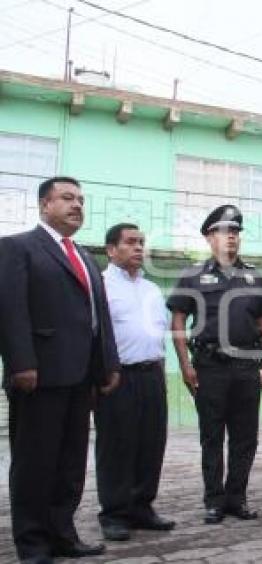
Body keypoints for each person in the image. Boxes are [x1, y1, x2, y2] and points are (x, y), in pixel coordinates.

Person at [0, 176, 120, 562]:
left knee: (70, 463)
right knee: (35, 463)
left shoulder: (85, 256)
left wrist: (107, 365)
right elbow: (10, 309)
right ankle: (33, 544)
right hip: (40, 376)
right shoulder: (18, 247)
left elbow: (98, 317)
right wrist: (21, 362)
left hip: (81, 376)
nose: (77, 205)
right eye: (67, 198)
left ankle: (63, 534)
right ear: (44, 205)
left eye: (81, 199)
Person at [167, 205, 262, 524]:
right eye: (225, 232)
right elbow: (178, 320)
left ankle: (237, 498)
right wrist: (185, 365)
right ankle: (214, 500)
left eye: (236, 233)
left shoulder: (253, 275)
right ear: (209, 237)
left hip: (246, 367)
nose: (231, 238)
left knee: (245, 437)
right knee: (212, 435)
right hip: (209, 366)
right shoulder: (192, 276)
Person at [95, 224, 175, 541]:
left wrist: (163, 374)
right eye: (130, 242)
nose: (139, 248)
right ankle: (114, 513)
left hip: (152, 374)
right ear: (112, 250)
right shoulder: (100, 287)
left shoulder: (152, 290)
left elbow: (158, 336)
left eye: (141, 242)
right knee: (117, 445)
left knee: (151, 443)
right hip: (117, 376)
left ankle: (142, 507)